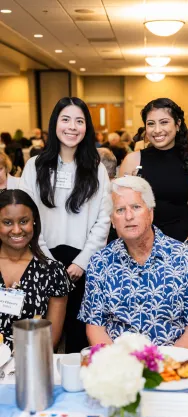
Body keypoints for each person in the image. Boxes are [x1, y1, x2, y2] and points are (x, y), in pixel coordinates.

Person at [78, 176, 188, 348]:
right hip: (120, 364)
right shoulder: (100, 262)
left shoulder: (184, 258)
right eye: (120, 210)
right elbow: (95, 327)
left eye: (136, 207)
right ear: (113, 221)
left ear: (150, 213)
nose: (128, 216)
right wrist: (116, 363)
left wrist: (167, 365)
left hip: (172, 362)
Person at [20, 97, 111, 353]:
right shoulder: (35, 166)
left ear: (87, 127)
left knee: (79, 339)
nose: (72, 127)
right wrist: (47, 261)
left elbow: (103, 220)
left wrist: (81, 262)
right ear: (55, 124)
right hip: (42, 259)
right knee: (43, 338)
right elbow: (28, 218)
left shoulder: (96, 168)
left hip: (83, 264)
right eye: (66, 119)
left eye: (79, 121)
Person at [120, 98, 188, 246]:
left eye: (164, 122)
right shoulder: (132, 161)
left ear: (177, 124)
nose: (157, 130)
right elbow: (120, 209)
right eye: (151, 124)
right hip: (139, 244)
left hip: (180, 244)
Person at [0, 189, 73, 349]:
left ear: (34, 221)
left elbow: (52, 338)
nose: (17, 230)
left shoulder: (54, 272)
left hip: (30, 363)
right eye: (7, 222)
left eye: (23, 221)